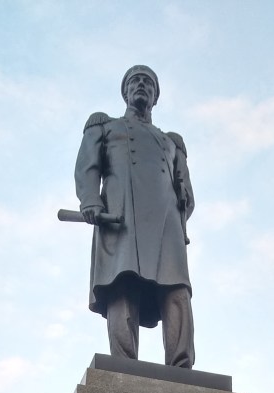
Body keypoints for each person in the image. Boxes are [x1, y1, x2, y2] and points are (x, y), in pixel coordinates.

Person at [75, 65, 195, 367]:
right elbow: (88, 168)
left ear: (155, 97)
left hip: (166, 222)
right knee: (123, 282)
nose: (141, 85)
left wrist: (184, 201)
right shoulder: (106, 126)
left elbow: (186, 191)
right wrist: (90, 200)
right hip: (122, 216)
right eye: (135, 81)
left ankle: (181, 364)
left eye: (148, 83)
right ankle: (124, 364)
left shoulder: (171, 142)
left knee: (176, 290)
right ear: (125, 91)